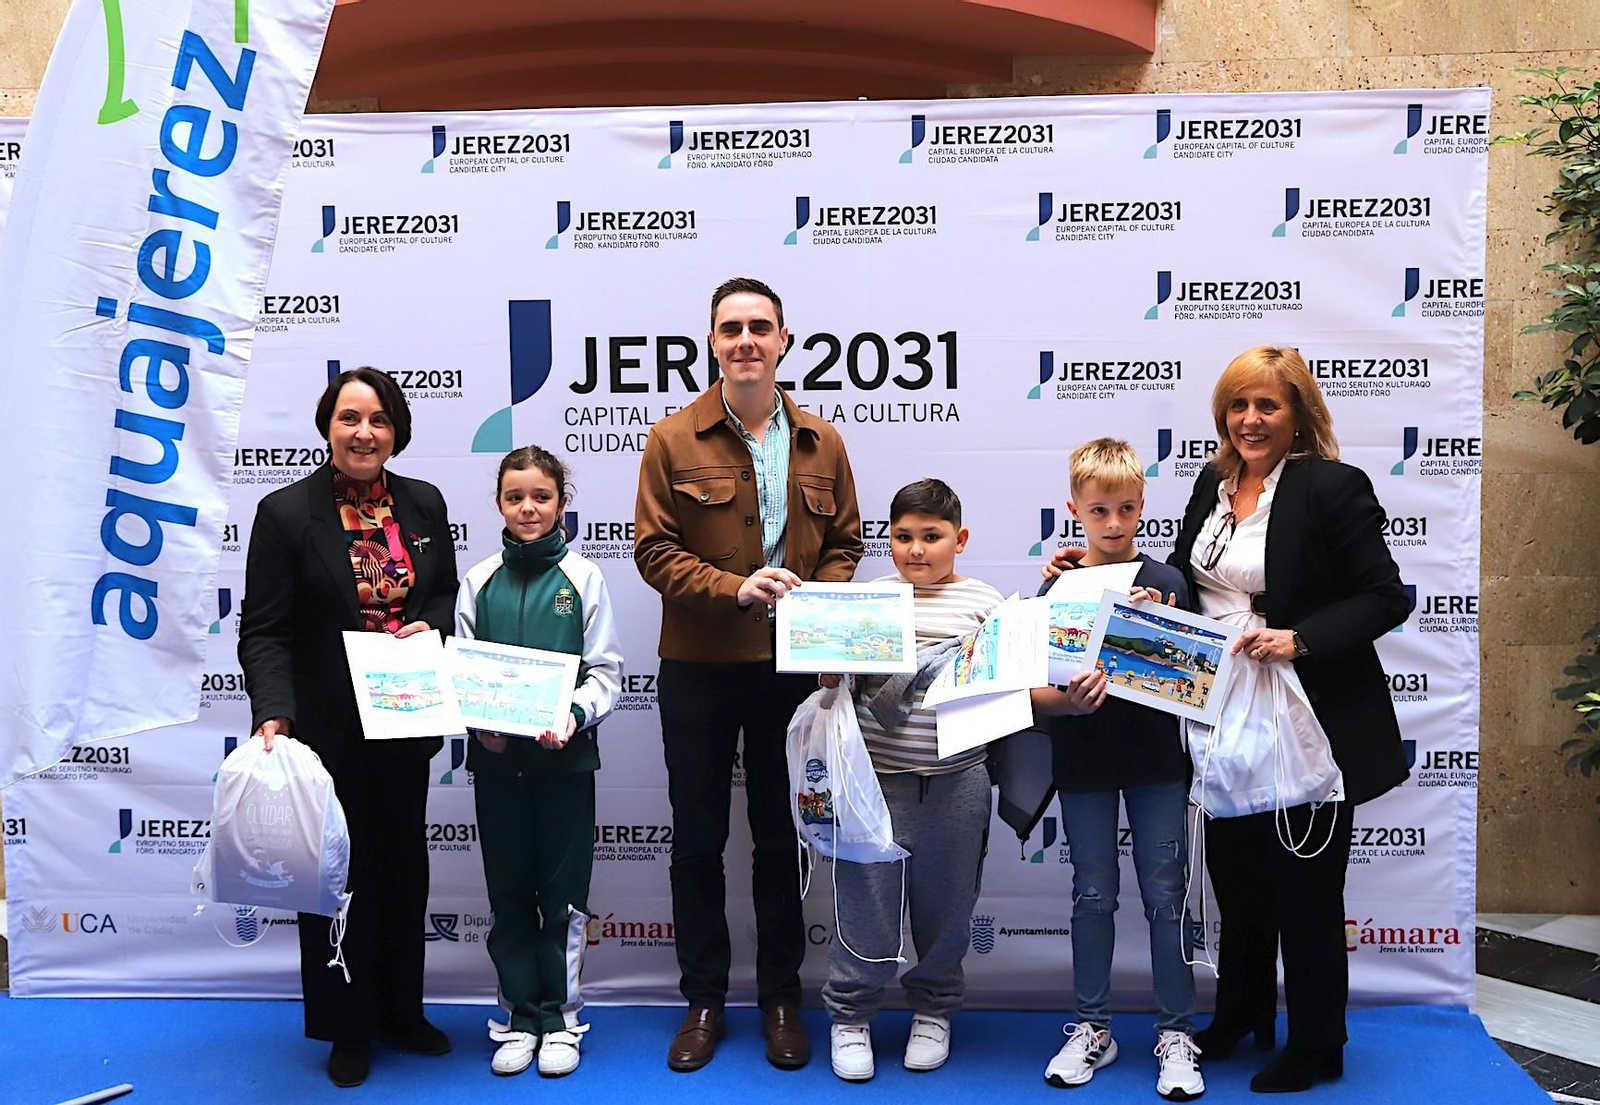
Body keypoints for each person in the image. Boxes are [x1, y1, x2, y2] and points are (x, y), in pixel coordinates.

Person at [1050, 345, 1410, 1093]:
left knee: (1306, 890)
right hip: (1216, 708)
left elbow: (1385, 596)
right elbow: (1179, 580)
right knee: (1237, 881)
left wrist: (1298, 637)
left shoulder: (1333, 486)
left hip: (1302, 714)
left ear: (1298, 414)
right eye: (1238, 405)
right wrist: (1100, 574)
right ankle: (1242, 1013)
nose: (1251, 419)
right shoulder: (1212, 485)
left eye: (1267, 405)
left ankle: (1318, 1043)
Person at [634, 276, 864, 1072]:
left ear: (784, 340)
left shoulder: (822, 441)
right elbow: (654, 550)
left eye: (760, 327)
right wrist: (734, 587)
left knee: (780, 839)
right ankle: (702, 999)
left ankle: (780, 1000)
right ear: (712, 342)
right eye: (730, 328)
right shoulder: (671, 438)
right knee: (697, 840)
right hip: (698, 667)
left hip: (789, 673)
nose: (746, 340)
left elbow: (846, 543)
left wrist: (816, 604)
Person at [238, 366, 459, 1088]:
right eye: (349, 418)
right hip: (325, 728)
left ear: (397, 431)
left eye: (379, 419)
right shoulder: (284, 513)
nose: (365, 432)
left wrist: (433, 625)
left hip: (406, 717)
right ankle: (347, 1026)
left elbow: (444, 594)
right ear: (327, 427)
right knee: (337, 876)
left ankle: (402, 1012)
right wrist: (273, 709)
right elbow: (264, 629)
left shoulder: (424, 503)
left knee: (402, 867)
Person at [1031, 439, 1203, 1101]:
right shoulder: (1057, 584)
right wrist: (1068, 699)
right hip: (1084, 761)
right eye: (1099, 509)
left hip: (1157, 760)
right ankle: (1093, 1027)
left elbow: (1193, 679)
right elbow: (1038, 688)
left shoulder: (1169, 581)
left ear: (1142, 505)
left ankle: (1177, 1031)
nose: (1112, 521)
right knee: (1093, 893)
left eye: (1126, 508)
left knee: (1165, 895)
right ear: (1074, 509)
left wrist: (1158, 628)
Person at [820, 479, 1003, 1083]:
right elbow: (833, 683)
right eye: (903, 537)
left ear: (960, 539)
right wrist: (828, 670)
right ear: (888, 539)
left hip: (958, 781)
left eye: (932, 536)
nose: (917, 549)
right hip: (874, 784)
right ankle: (850, 1016)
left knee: (948, 909)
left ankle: (934, 1011)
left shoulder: (985, 603)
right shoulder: (870, 600)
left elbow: (1009, 686)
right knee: (864, 906)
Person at [455, 445, 624, 1078]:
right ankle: (517, 1016)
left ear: (562, 503)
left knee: (563, 896)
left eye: (541, 497)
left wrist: (573, 715)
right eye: (515, 497)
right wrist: (482, 727)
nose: (528, 508)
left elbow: (606, 671)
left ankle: (560, 1018)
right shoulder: (478, 580)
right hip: (497, 767)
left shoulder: (584, 578)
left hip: (564, 764)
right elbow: (464, 673)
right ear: (499, 504)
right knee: (507, 893)